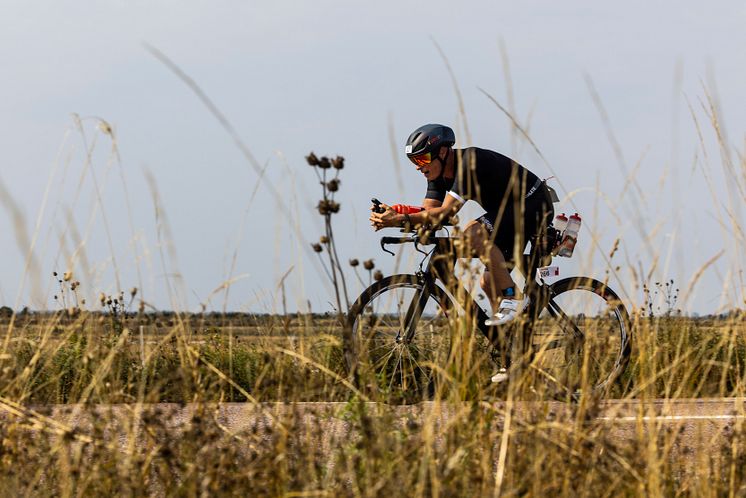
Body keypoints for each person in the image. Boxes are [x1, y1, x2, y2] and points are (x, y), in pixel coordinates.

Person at [370, 123, 555, 328]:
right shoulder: (436, 176)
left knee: (473, 232)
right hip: (506, 215)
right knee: (488, 282)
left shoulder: (469, 163)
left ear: (442, 151)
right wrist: (396, 214)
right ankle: (511, 343)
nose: (418, 167)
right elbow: (430, 216)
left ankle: (513, 297)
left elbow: (447, 212)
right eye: (414, 161)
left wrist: (400, 220)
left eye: (422, 159)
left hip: (533, 204)